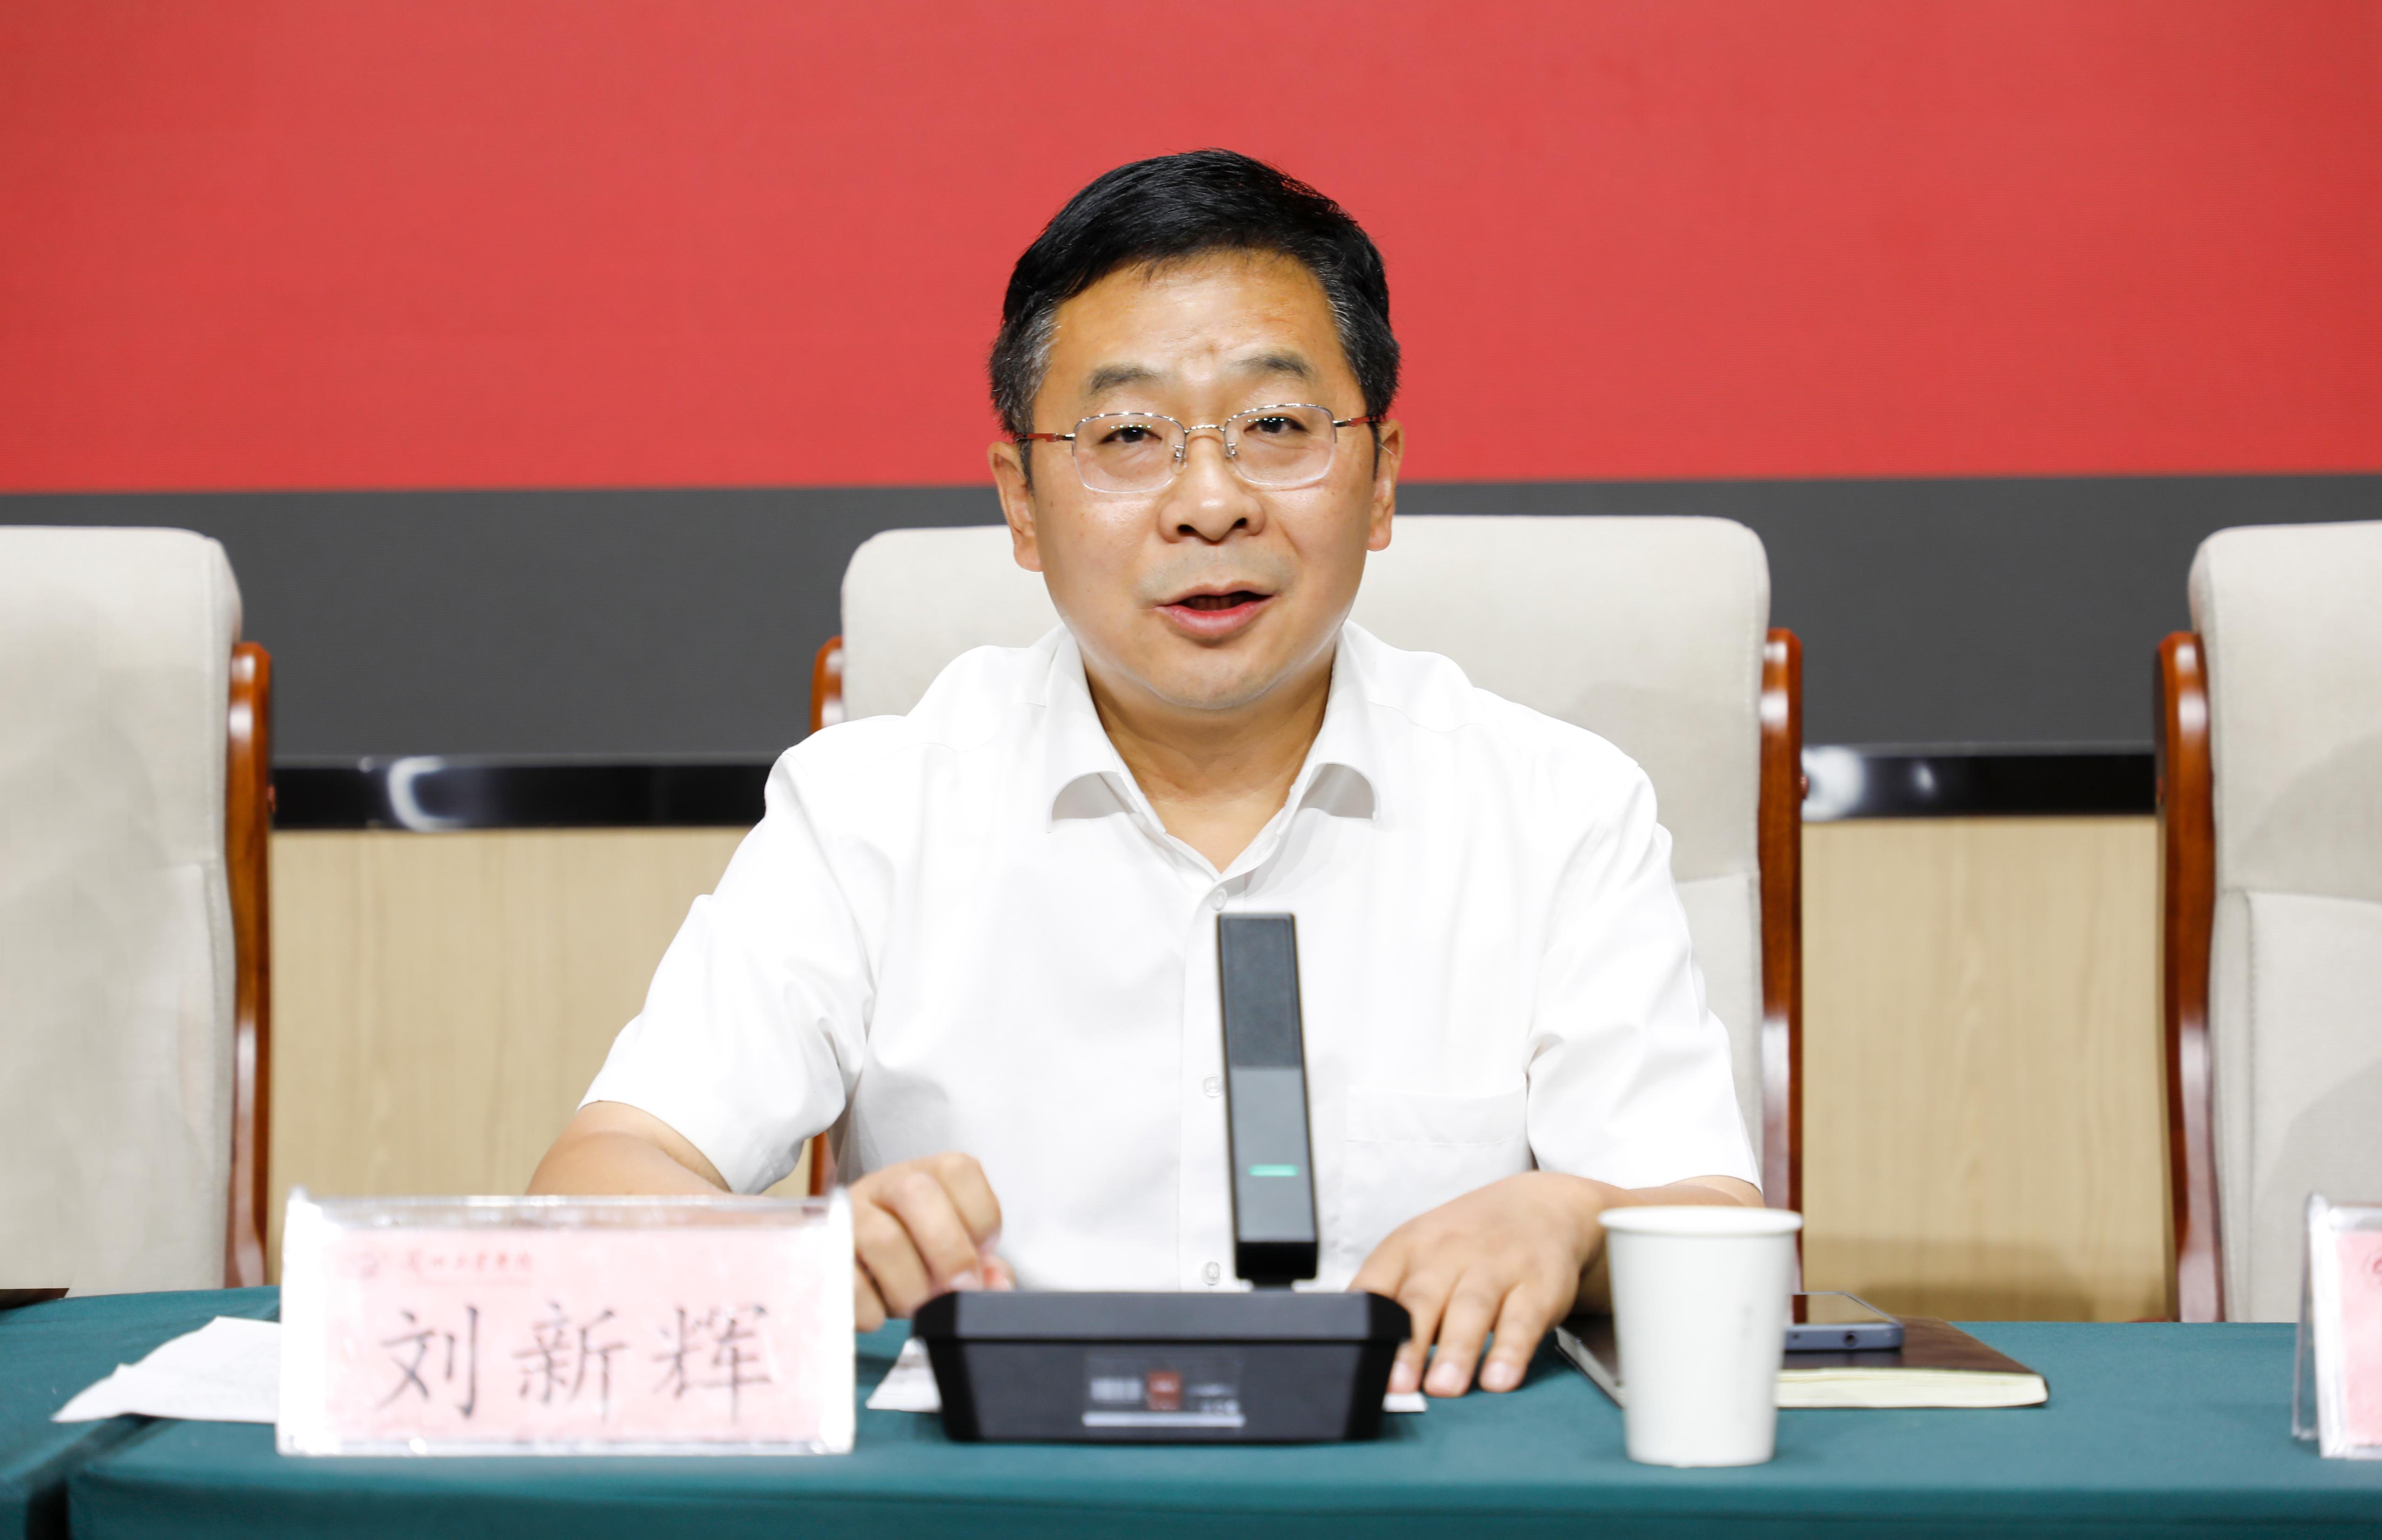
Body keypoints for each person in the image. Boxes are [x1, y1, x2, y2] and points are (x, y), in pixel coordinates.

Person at [531, 149, 1760, 1398]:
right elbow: (602, 1174)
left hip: (1418, 1468)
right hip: (994, 1477)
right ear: (1021, 503)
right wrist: (791, 1258)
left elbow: (1709, 1216)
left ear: (1383, 477)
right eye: (1128, 437)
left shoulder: (1557, 809)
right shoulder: (869, 812)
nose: (1210, 504)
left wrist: (1571, 1222)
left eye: (1276, 428)